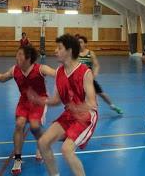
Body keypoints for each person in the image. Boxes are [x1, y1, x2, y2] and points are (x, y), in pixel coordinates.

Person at [0, 45, 55, 175]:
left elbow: (56, 73)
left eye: (20, 54)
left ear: (28, 57)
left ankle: (41, 145)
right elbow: (2, 78)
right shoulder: (15, 70)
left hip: (39, 101)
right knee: (19, 124)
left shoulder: (41, 69)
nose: (16, 57)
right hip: (24, 102)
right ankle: (18, 158)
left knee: (35, 126)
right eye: (17, 54)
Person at [28, 34, 98, 176]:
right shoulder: (59, 72)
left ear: (70, 51)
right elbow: (56, 100)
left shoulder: (85, 72)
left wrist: (77, 108)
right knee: (43, 143)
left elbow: (92, 103)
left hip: (86, 117)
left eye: (59, 48)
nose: (55, 51)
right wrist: (40, 100)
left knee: (66, 150)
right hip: (69, 115)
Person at [77, 35, 123, 115]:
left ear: (85, 43)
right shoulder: (74, 54)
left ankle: (113, 106)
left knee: (101, 93)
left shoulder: (90, 53)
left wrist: (94, 74)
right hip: (78, 81)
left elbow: (96, 65)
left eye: (81, 42)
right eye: (77, 42)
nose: (79, 44)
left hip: (89, 80)